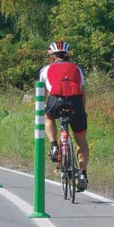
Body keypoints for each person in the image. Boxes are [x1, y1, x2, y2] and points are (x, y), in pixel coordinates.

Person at [40, 41, 89, 191]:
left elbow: (42, 93)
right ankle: (82, 174)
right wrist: (82, 111)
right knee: (81, 142)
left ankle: (54, 145)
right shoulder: (77, 69)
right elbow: (82, 92)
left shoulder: (45, 69)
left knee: (48, 118)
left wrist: (44, 106)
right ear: (67, 55)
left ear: (52, 56)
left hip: (55, 101)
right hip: (75, 103)